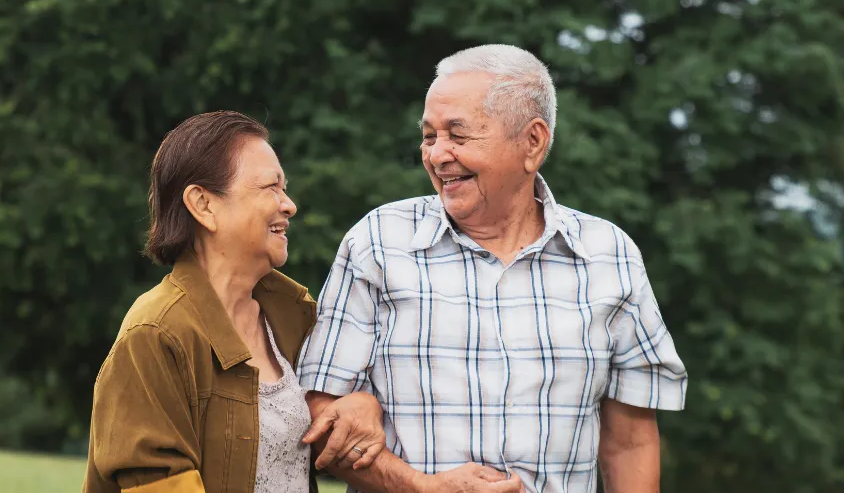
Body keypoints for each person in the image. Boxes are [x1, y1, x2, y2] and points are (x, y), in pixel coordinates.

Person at [298, 45, 689, 493]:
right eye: (429, 137)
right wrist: (421, 487)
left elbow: (630, 444)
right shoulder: (379, 243)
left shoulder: (608, 255)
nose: (437, 155)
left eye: (458, 136)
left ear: (533, 141)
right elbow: (319, 415)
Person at [83, 111, 385, 493]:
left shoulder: (294, 316)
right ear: (204, 205)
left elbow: (324, 426)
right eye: (270, 188)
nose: (288, 205)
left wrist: (363, 405)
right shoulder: (156, 333)